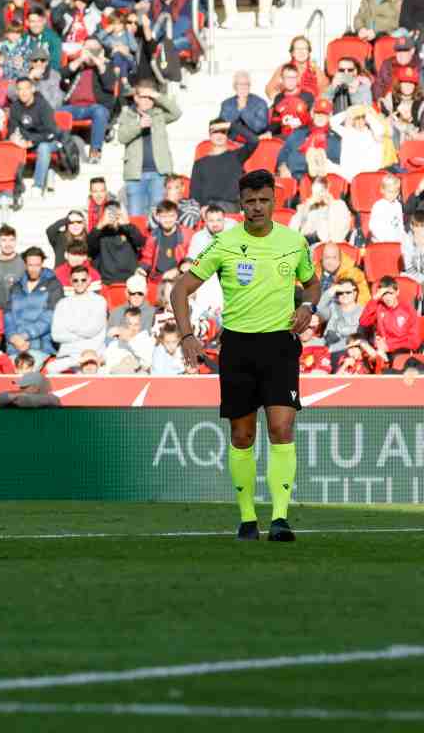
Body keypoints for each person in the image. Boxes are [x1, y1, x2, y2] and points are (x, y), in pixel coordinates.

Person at [172, 168, 320, 542]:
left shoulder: (293, 241)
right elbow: (179, 290)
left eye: (263, 200)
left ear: (275, 202)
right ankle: (248, 519)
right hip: (238, 346)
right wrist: (187, 335)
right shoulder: (224, 243)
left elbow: (313, 283)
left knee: (282, 428)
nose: (257, 207)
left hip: (280, 345)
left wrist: (308, 306)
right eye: (250, 201)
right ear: (241, 204)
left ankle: (281, 519)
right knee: (242, 434)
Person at [119, 82, 181, 216]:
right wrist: (138, 126)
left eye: (150, 97)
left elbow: (177, 112)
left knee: (158, 216)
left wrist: (156, 95)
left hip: (159, 173)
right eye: (143, 97)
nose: (147, 100)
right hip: (135, 175)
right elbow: (121, 137)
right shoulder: (127, 115)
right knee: (136, 216)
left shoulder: (159, 115)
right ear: (135, 98)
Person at [188, 118, 259, 214]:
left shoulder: (237, 156)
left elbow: (254, 140)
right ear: (210, 135)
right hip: (207, 208)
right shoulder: (200, 163)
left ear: (227, 135)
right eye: (215, 132)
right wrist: (202, 208)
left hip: (229, 206)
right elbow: (194, 193)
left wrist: (230, 125)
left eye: (223, 132)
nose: (219, 135)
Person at [49, 265, 108, 373]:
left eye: (83, 280)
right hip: (68, 357)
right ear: (70, 281)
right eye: (75, 280)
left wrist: (69, 327)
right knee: (51, 369)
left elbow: (91, 330)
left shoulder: (99, 301)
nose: (79, 283)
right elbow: (56, 335)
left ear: (89, 280)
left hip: (92, 356)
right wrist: (82, 332)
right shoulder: (62, 304)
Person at [359, 276, 422, 357]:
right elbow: (363, 322)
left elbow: (414, 340)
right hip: (382, 350)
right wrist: (374, 299)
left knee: (398, 356)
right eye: (384, 294)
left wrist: (389, 346)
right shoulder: (378, 307)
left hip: (401, 349)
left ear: (397, 292)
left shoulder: (408, 309)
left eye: (391, 293)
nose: (388, 298)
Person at [0, 224, 27, 310]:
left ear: (16, 241)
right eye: (4, 240)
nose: (8, 244)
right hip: (1, 318)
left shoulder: (25, 262)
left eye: (11, 240)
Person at [219, 70, 269, 137]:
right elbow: (223, 127)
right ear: (234, 86)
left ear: (249, 86)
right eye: (240, 84)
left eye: (246, 84)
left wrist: (244, 110)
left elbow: (259, 128)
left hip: (254, 141)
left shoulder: (260, 103)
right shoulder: (226, 104)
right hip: (232, 142)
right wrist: (238, 110)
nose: (243, 87)